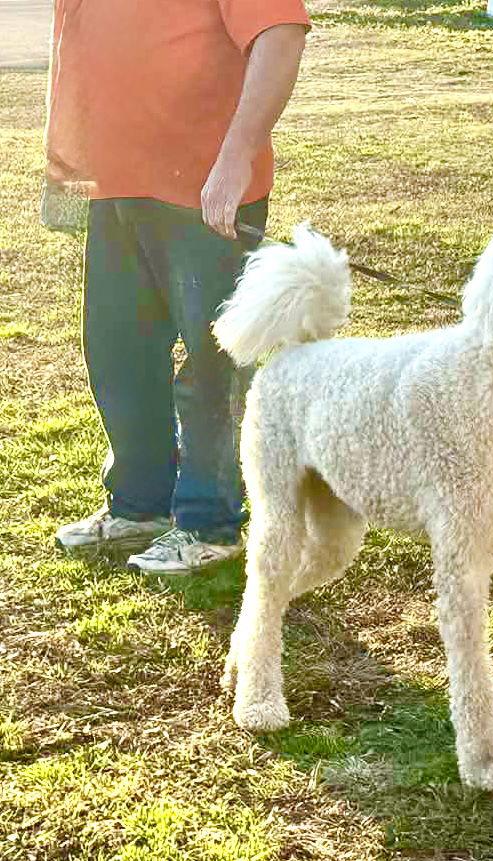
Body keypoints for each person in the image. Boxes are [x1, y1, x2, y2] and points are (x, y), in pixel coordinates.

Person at [49, 0, 310, 574]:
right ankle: (141, 505)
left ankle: (207, 523)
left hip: (205, 191)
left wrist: (237, 156)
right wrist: (72, 177)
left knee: (212, 361)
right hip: (113, 185)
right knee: (120, 352)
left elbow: (281, 34)